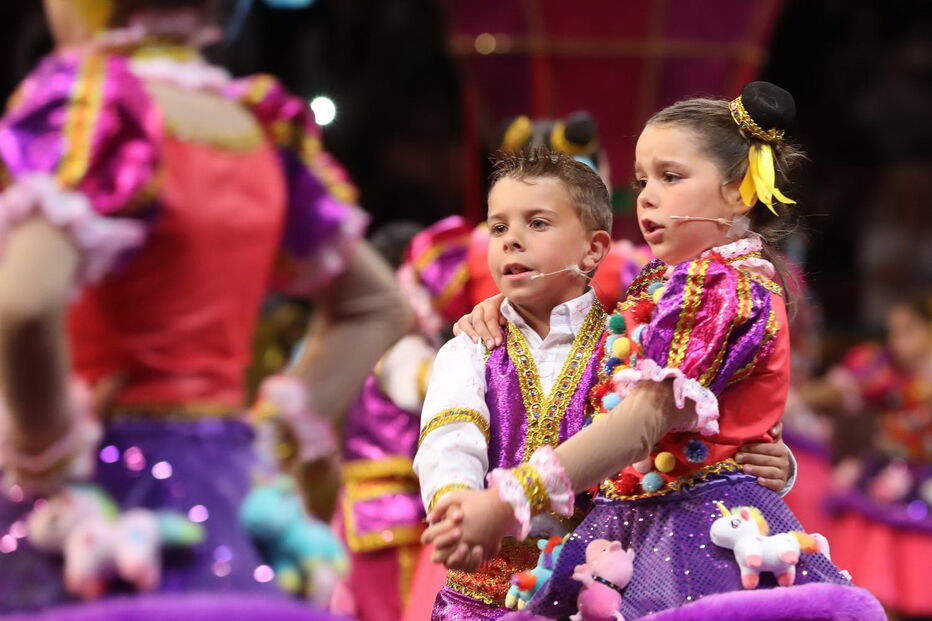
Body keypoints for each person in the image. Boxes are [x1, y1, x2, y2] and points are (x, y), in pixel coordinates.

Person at [0, 0, 409, 617]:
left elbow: (26, 304)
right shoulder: (256, 123)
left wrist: (47, 453)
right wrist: (271, 439)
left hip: (102, 507)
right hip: (233, 502)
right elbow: (377, 305)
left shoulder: (96, 103)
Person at [425, 82, 883, 620]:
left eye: (671, 177)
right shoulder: (671, 285)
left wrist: (507, 502)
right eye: (643, 180)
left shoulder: (717, 289)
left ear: (739, 191)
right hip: (633, 531)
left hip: (687, 535)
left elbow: (642, 421)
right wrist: (500, 308)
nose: (646, 196)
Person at [806, 293, 932, 620]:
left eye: (907, 330)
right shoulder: (884, 372)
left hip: (925, 486)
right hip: (887, 480)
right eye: (893, 332)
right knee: (879, 580)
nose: (897, 341)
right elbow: (838, 391)